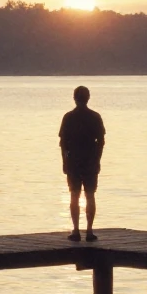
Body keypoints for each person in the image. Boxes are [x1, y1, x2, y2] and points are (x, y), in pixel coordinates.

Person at [58, 85, 105, 242]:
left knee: (74, 195)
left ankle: (76, 230)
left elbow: (63, 143)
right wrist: (97, 159)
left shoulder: (68, 117)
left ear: (74, 98)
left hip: (74, 162)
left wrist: (65, 161)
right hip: (90, 161)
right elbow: (101, 142)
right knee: (90, 195)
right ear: (88, 98)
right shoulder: (95, 117)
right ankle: (89, 231)